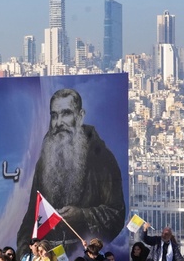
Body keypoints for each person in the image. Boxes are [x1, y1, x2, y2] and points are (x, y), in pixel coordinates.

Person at [17, 88, 125, 248]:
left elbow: (116, 213)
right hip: (46, 258)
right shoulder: (44, 162)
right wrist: (25, 253)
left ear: (80, 116)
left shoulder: (101, 158)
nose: (59, 122)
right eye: (54, 115)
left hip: (82, 255)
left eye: (65, 113)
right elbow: (32, 216)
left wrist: (82, 215)